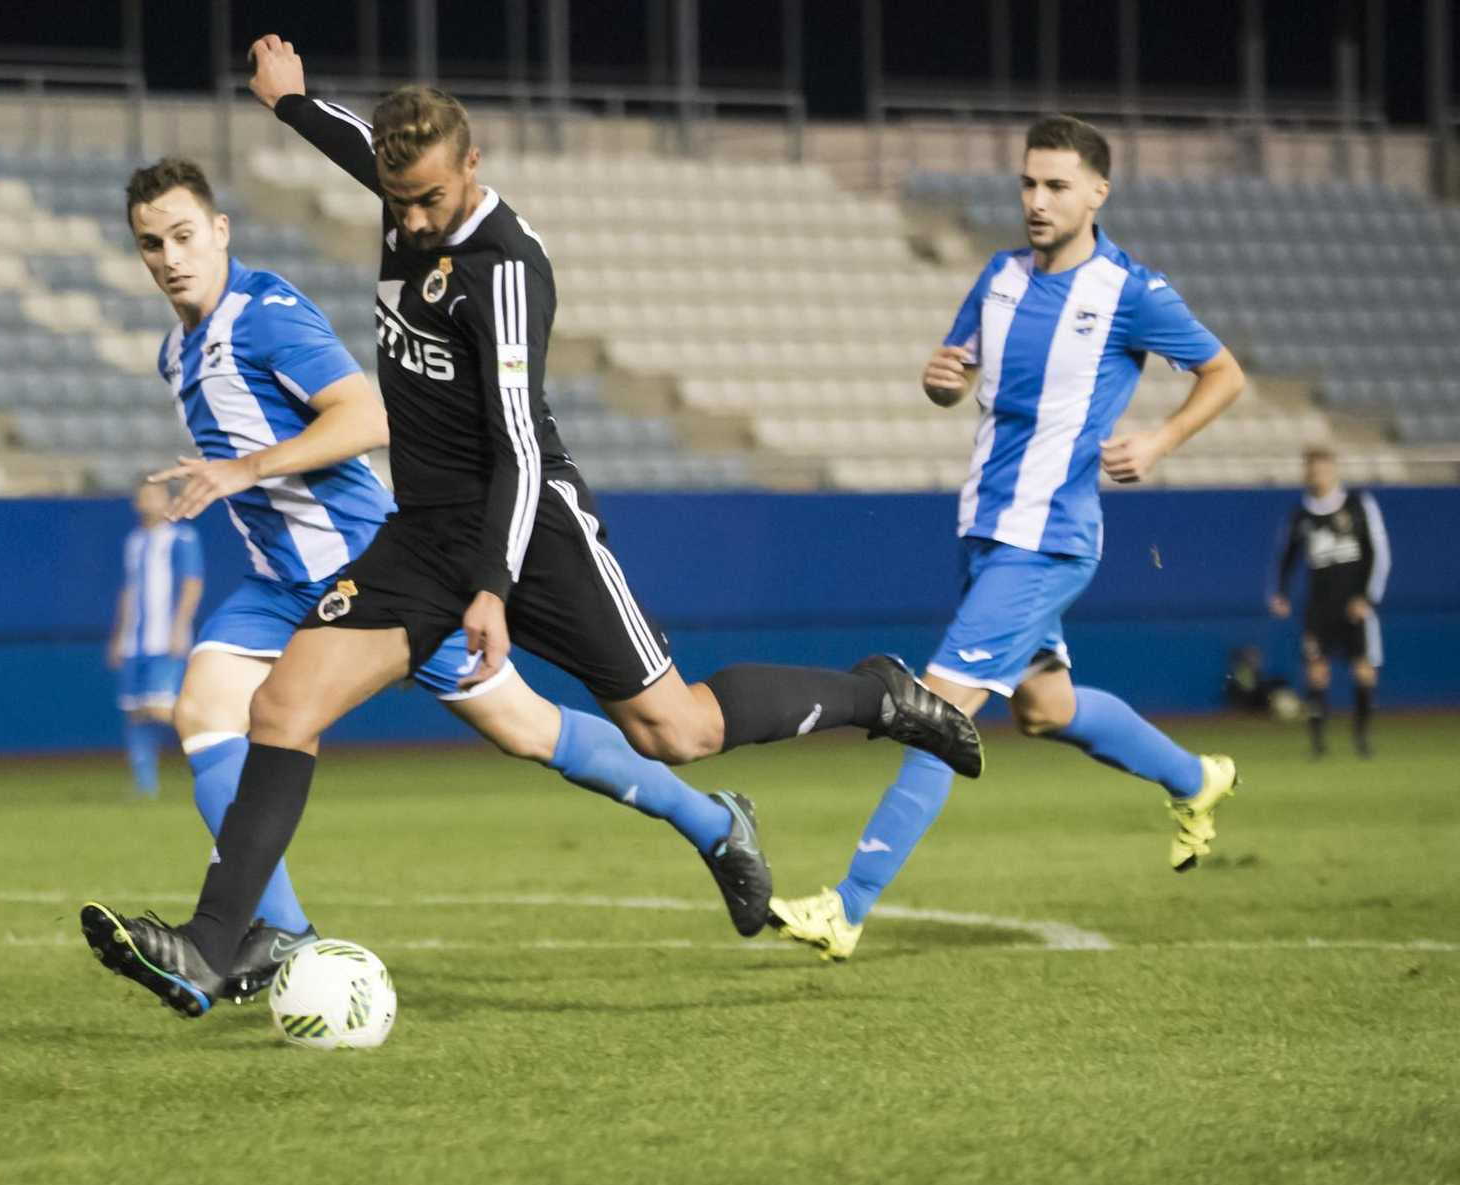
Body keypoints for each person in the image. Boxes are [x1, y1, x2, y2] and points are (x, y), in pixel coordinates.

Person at [81, 130, 979, 1014]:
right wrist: (292, 102)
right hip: (308, 577)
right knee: (231, 710)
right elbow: (379, 161)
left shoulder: (282, 312)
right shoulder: (185, 347)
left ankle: (779, 770)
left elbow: (380, 419)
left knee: (619, 729)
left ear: (223, 230)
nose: (169, 257)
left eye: (184, 235)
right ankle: (245, 940)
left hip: (408, 550)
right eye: (151, 243)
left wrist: (477, 581)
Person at [770, 114, 1249, 962]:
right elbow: (956, 380)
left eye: (1057, 185)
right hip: (985, 531)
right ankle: (1194, 778)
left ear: (1098, 193)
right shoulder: (998, 277)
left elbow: (1224, 372)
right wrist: (939, 383)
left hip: (1049, 540)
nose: (1037, 200)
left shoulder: (1129, 291)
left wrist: (1161, 441)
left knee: (939, 712)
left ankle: (845, 907)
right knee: (1044, 709)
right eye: (1028, 183)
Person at [1268, 448, 1390, 758]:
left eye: (1321, 469)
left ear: (1333, 471)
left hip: (1354, 605)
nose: (1315, 475)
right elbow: (1287, 557)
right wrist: (1280, 592)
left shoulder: (1359, 505)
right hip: (1319, 607)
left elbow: (1378, 553)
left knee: (1363, 671)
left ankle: (1362, 737)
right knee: (1317, 673)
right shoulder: (1300, 516)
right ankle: (1318, 744)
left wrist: (1367, 597)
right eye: (1310, 469)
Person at [107, 480, 202, 796]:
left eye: (153, 495)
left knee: (160, 708)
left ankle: (223, 741)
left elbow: (192, 583)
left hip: (165, 638)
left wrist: (179, 628)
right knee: (136, 713)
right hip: (135, 641)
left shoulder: (182, 536)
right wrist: (119, 635)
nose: (145, 501)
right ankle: (145, 786)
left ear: (169, 501)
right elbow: (128, 589)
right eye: (142, 495)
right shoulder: (134, 541)